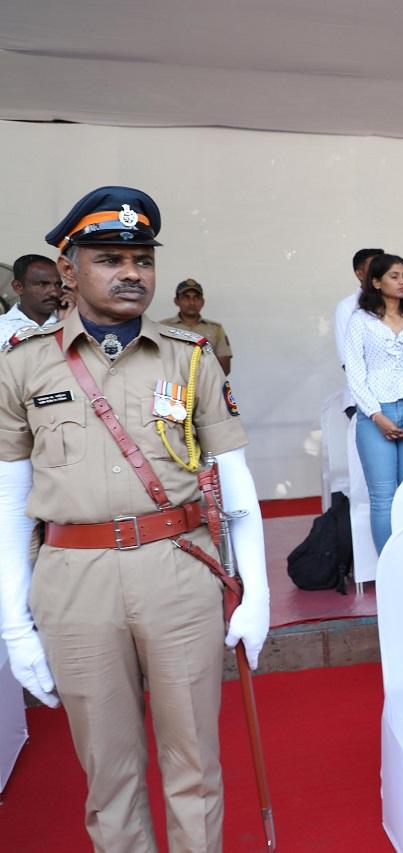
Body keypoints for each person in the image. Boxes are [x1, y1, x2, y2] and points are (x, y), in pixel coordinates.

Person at [0, 186, 269, 851]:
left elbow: (235, 478)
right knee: (109, 774)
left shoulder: (190, 356)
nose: (131, 273)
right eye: (110, 258)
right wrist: (15, 623)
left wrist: (257, 588)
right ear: (68, 271)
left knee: (195, 766)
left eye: (142, 258)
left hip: (178, 572)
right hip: (74, 579)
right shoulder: (23, 366)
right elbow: (8, 499)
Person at [344, 253, 403, 554]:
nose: (402, 282)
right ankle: (390, 565)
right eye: (394, 276)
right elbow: (355, 373)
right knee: (383, 496)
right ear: (376, 281)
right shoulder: (361, 321)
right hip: (376, 415)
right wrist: (375, 415)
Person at [159, 278, 234, 374]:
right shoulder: (163, 327)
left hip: (206, 385)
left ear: (202, 301)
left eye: (196, 297)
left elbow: (225, 367)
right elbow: (156, 362)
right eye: (186, 297)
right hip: (173, 386)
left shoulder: (215, 329)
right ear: (176, 301)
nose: (192, 302)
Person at [334, 247, 385, 368]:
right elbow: (347, 358)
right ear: (360, 274)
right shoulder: (347, 307)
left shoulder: (399, 303)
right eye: (374, 268)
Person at [0, 254, 63, 341]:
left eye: (58, 285)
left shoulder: (69, 323)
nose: (55, 293)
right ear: (18, 287)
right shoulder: (2, 327)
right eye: (42, 284)